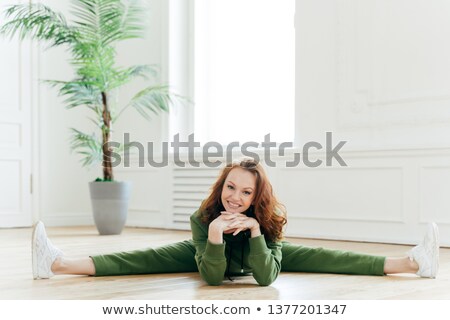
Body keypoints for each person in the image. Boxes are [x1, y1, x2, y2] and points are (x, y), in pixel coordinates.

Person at [32, 158, 440, 285]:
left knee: (326, 255)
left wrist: (259, 235)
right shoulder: (202, 217)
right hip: (208, 252)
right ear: (221, 185)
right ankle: (56, 263)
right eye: (231, 188)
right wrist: (212, 237)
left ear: (257, 197)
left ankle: (412, 263)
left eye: (246, 192)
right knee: (142, 257)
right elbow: (213, 278)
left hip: (258, 248)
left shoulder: (270, 219)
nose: (236, 198)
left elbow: (266, 279)